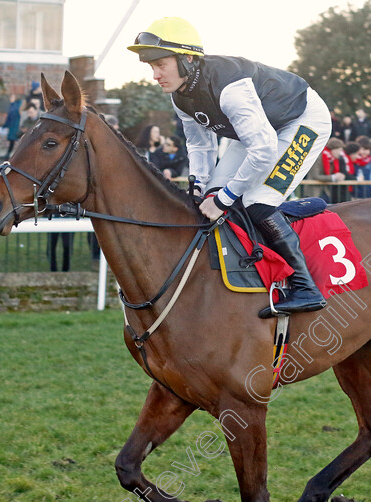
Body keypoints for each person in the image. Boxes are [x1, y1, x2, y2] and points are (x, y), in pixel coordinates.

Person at [128, 16, 330, 317]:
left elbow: (263, 151)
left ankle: (305, 287)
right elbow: (200, 145)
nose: (155, 74)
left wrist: (225, 199)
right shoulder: (178, 96)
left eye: (160, 65)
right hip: (257, 132)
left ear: (186, 59)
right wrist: (198, 186)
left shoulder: (231, 88)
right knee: (210, 196)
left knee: (255, 201)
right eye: (151, 67)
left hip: (300, 120)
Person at [307, 137, 350, 203]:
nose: (341, 153)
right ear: (334, 149)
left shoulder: (333, 160)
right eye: (340, 150)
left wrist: (338, 176)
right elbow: (315, 176)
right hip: (314, 192)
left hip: (325, 192)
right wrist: (333, 177)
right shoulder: (319, 157)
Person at [4, 93, 22, 158]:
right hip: (13, 125)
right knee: (12, 141)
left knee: (15, 140)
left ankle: (12, 154)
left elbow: (13, 114)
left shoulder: (17, 105)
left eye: (12, 97)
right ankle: (8, 154)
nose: (10, 99)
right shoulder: (13, 105)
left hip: (16, 125)